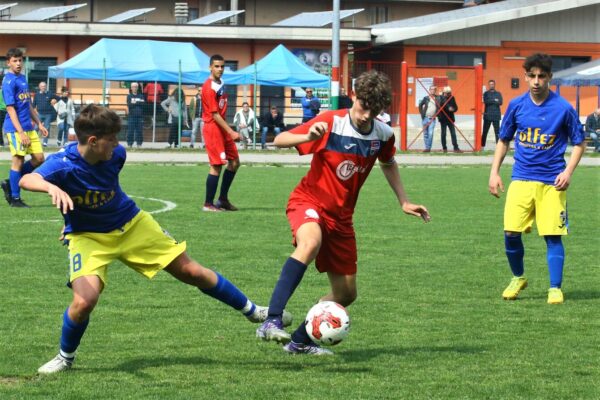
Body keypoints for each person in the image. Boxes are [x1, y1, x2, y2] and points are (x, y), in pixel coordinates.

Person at [19, 104, 292, 374]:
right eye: (111, 140)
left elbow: (104, 190)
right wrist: (50, 188)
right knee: (84, 302)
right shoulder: (62, 164)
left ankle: (255, 312)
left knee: (191, 271)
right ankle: (65, 358)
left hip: (132, 224)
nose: (117, 145)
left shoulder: (116, 156)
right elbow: (27, 180)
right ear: (93, 141)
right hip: (89, 237)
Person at [256, 70, 431, 355]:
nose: (365, 115)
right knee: (310, 242)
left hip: (341, 219)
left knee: (346, 294)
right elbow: (279, 140)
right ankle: (272, 319)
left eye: (374, 111)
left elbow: (388, 162)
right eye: (363, 106)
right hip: (309, 201)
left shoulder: (383, 134)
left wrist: (404, 201)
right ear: (353, 96)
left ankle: (300, 341)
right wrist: (306, 136)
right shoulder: (331, 122)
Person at [489, 53, 585, 305]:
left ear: (550, 78)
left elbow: (579, 143)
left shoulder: (563, 108)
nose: (536, 81)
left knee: (552, 236)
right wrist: (494, 172)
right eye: (532, 76)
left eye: (542, 76)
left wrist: (567, 172)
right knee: (510, 233)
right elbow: (503, 140)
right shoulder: (516, 105)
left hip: (552, 183)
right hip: (521, 179)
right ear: (525, 77)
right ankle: (518, 277)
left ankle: (555, 287)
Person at [1, 48, 48, 208]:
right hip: (15, 129)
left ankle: (10, 182)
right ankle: (15, 198)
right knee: (18, 160)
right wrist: (20, 132)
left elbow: (27, 104)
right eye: (15, 61)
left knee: (39, 158)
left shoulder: (22, 78)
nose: (18, 63)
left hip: (29, 126)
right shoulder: (8, 81)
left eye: (20, 60)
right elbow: (10, 109)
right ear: (8, 63)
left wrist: (39, 123)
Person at [201, 54, 241, 212]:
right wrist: (231, 131)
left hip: (222, 127)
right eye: (216, 66)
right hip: (213, 128)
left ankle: (223, 199)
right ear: (210, 67)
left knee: (235, 162)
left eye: (222, 66)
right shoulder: (208, 87)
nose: (220, 69)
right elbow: (214, 114)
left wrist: (228, 130)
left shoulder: (221, 83)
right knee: (216, 165)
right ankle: (208, 204)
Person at [32, 81, 58, 147]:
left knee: (46, 128)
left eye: (44, 86)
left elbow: (58, 98)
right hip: (39, 114)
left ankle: (45, 143)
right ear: (39, 87)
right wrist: (35, 113)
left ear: (46, 87)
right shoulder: (36, 95)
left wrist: (55, 101)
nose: (43, 87)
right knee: (36, 128)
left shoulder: (50, 94)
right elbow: (33, 105)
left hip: (48, 114)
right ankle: (34, 141)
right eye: (42, 86)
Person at [438, 86, 462, 153]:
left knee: (453, 133)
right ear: (444, 93)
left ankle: (456, 147)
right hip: (443, 119)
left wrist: (453, 109)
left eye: (449, 93)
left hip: (450, 118)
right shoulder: (441, 98)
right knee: (443, 133)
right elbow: (444, 104)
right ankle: (444, 148)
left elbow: (456, 107)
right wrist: (449, 108)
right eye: (447, 93)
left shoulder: (452, 98)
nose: (448, 94)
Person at [482, 79, 503, 148]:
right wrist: (494, 100)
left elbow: (500, 102)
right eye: (490, 84)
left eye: (492, 84)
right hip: (487, 115)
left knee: (497, 132)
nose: (491, 85)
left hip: (496, 115)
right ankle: (482, 146)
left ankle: (498, 146)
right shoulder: (486, 93)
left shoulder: (498, 93)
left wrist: (491, 100)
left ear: (494, 85)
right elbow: (486, 101)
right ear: (489, 85)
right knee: (485, 131)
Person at [419, 85, 438, 153]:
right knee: (425, 134)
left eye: (434, 89)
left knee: (430, 133)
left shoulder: (437, 98)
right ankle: (427, 148)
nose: (432, 90)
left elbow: (442, 103)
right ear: (429, 90)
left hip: (432, 119)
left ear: (435, 91)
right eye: (431, 89)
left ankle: (428, 148)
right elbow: (420, 105)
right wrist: (422, 114)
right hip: (425, 118)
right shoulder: (426, 98)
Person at [126, 82, 144, 148]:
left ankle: (139, 144)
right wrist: (138, 102)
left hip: (140, 116)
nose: (134, 88)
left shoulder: (141, 95)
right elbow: (129, 105)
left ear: (137, 88)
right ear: (131, 88)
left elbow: (143, 104)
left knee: (139, 131)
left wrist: (134, 102)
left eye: (136, 87)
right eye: (133, 87)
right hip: (131, 116)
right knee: (130, 130)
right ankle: (129, 144)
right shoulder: (129, 96)